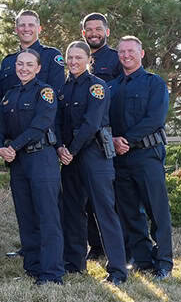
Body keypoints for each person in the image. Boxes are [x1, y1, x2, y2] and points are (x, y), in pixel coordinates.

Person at [56, 41, 128, 285]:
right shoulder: (62, 89)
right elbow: (57, 123)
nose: (73, 62)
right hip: (70, 157)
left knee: (104, 211)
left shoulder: (97, 86)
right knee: (73, 212)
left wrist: (71, 150)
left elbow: (91, 124)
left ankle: (117, 269)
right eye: (70, 57)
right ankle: (75, 264)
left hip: (94, 154)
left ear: (89, 60)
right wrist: (60, 149)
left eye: (78, 57)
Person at [0, 49, 64, 285]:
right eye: (20, 64)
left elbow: (40, 124)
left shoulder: (45, 92)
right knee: (26, 215)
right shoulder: (9, 95)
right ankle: (32, 267)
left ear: (38, 68)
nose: (23, 68)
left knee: (47, 216)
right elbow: (0, 127)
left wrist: (14, 146)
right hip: (19, 162)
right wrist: (0, 147)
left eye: (29, 65)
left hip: (41, 159)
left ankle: (52, 272)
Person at [109, 36, 172, 280]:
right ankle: (143, 259)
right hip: (120, 158)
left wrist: (126, 140)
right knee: (130, 212)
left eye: (131, 51)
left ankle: (164, 261)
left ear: (142, 53)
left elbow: (155, 119)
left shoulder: (153, 83)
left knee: (157, 211)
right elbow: (105, 120)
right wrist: (115, 140)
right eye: (122, 52)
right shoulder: (112, 87)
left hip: (146, 155)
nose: (126, 55)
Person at [79, 13, 120, 260]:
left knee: (110, 199)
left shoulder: (116, 59)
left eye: (98, 29)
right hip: (84, 141)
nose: (94, 33)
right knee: (87, 200)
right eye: (89, 30)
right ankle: (96, 246)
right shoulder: (78, 61)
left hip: (109, 139)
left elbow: (121, 100)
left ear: (107, 31)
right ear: (83, 33)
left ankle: (120, 248)